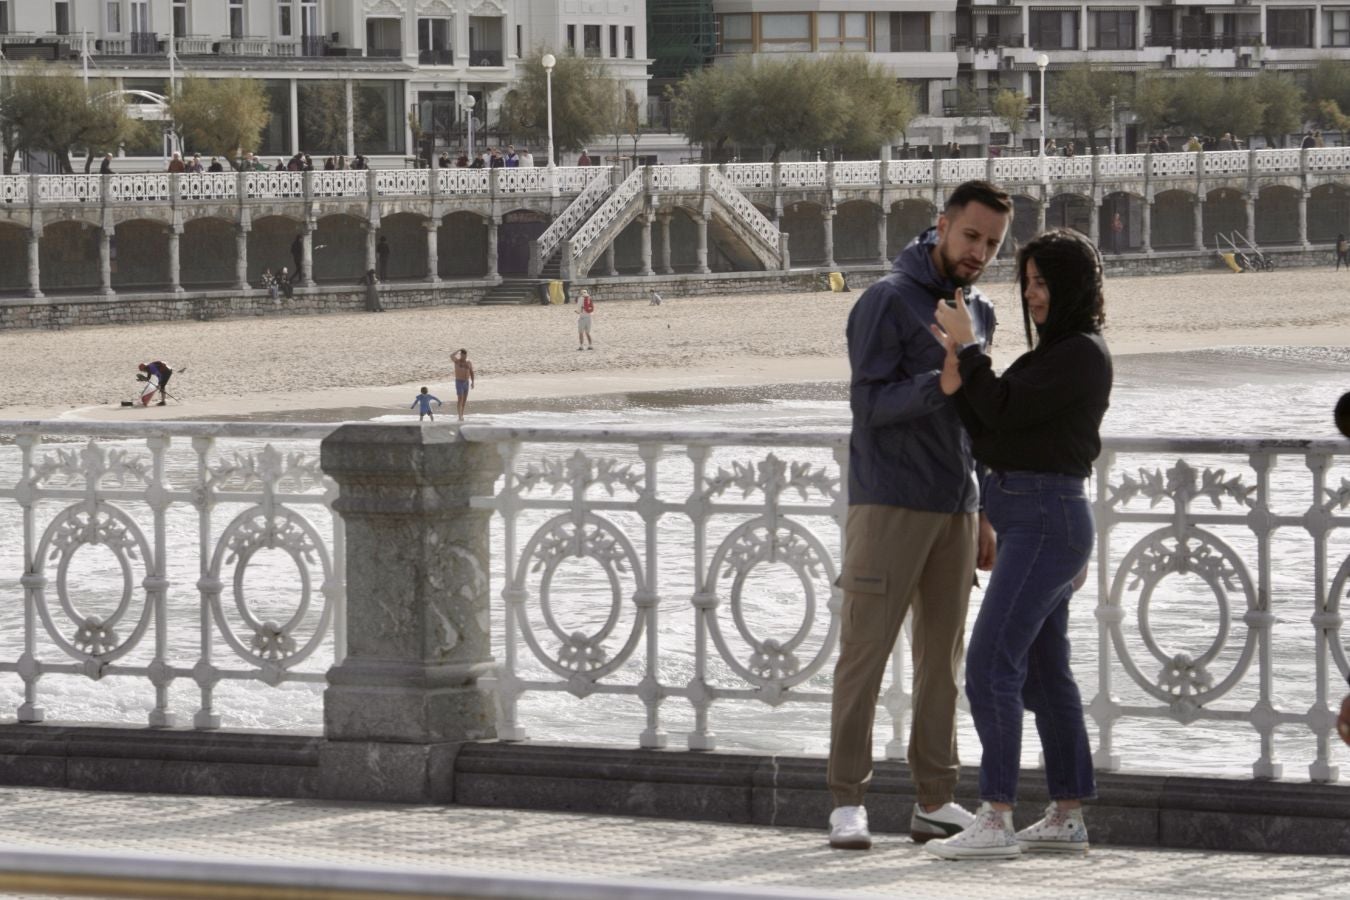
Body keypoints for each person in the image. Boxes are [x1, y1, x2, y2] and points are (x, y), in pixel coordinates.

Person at [826, 180, 1010, 852]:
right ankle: (847, 799)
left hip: (956, 510)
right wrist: (942, 381)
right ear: (941, 226)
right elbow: (868, 406)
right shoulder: (885, 301)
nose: (980, 252)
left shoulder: (980, 308)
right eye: (971, 237)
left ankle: (934, 800)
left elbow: (978, 420)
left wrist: (986, 508)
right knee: (865, 657)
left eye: (992, 243)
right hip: (887, 503)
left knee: (944, 665)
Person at [924, 228, 1112, 860]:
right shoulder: (1054, 354)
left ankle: (997, 815)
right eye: (1027, 281)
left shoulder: (1080, 353)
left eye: (1043, 281)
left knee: (989, 664)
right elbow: (995, 432)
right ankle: (1066, 813)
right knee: (1041, 670)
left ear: (1073, 286)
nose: (1033, 294)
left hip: (1044, 519)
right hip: (1038, 519)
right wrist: (959, 370)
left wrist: (972, 352)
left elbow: (1001, 409)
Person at [452, 349, 475, 421]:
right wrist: (458, 350)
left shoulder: (469, 362)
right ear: (460, 355)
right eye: (462, 355)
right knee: (460, 399)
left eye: (465, 355)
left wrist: (473, 382)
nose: (464, 357)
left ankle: (461, 415)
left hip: (466, 382)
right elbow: (451, 355)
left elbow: (471, 372)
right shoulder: (457, 361)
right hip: (459, 382)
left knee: (464, 401)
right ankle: (459, 416)